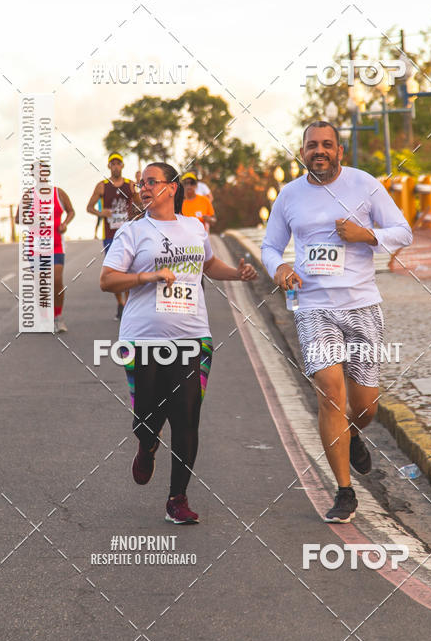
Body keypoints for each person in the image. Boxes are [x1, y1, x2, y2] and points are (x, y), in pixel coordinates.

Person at [261, 122, 412, 523]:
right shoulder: (290, 195)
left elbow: (403, 232)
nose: (319, 151)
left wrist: (366, 235)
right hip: (313, 306)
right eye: (312, 145)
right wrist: (279, 268)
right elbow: (270, 245)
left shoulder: (365, 185)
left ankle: (355, 433)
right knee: (330, 393)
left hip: (362, 305)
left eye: (327, 145)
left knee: (364, 406)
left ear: (340, 151)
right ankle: (344, 492)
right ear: (303, 151)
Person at [99, 162, 256, 524]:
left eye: (151, 182)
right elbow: (107, 280)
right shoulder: (133, 233)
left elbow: (209, 265)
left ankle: (177, 499)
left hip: (192, 337)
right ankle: (147, 442)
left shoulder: (194, 227)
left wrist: (238, 274)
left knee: (187, 418)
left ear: (171, 188)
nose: (144, 188)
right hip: (142, 339)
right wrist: (148, 276)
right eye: (141, 183)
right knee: (147, 419)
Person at [16, 179, 75, 333]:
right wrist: (31, 220)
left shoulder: (58, 193)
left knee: (56, 280)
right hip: (35, 246)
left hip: (55, 244)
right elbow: (18, 218)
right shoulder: (29, 195)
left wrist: (65, 224)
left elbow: (71, 211)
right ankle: (44, 319)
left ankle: (58, 316)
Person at [87, 153, 142, 319]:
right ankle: (120, 302)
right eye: (113, 164)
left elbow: (141, 206)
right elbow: (89, 207)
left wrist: (133, 212)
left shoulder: (130, 185)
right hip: (110, 234)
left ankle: (128, 303)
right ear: (109, 166)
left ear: (122, 166)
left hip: (129, 233)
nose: (116, 166)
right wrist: (101, 212)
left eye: (118, 163)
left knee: (128, 269)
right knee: (114, 271)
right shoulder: (102, 186)